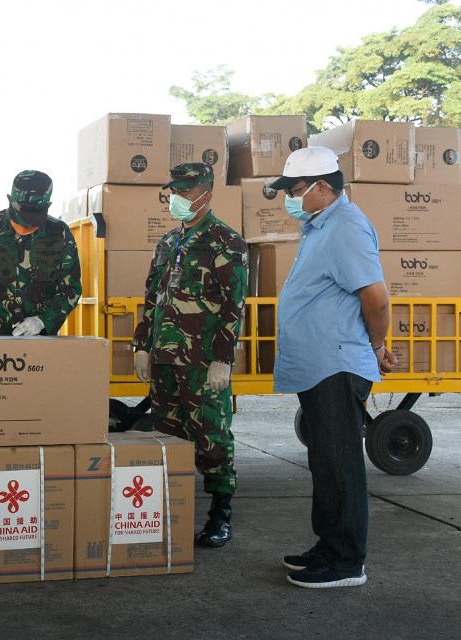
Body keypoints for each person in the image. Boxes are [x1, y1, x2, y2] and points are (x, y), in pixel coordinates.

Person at [268, 146, 396, 589]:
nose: (291, 199)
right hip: (320, 364)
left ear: (323, 186)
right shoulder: (320, 224)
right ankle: (328, 546)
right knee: (325, 461)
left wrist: (376, 346)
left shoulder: (345, 226)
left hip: (336, 364)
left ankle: (346, 562)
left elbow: (376, 298)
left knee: (340, 463)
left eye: (297, 190)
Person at [131, 162, 248, 549]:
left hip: (202, 362)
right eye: (174, 192)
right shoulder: (167, 242)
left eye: (185, 192)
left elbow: (234, 305)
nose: (177, 199)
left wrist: (223, 358)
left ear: (206, 195)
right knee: (167, 437)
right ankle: (172, 509)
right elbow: (152, 298)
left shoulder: (226, 242)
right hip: (164, 359)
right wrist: (142, 346)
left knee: (212, 436)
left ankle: (220, 512)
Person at [0, 170, 81, 336]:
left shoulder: (60, 233)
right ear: (10, 200)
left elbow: (70, 288)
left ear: (48, 206)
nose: (25, 226)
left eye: (33, 218)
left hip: (39, 336)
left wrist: (42, 321)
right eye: (22, 217)